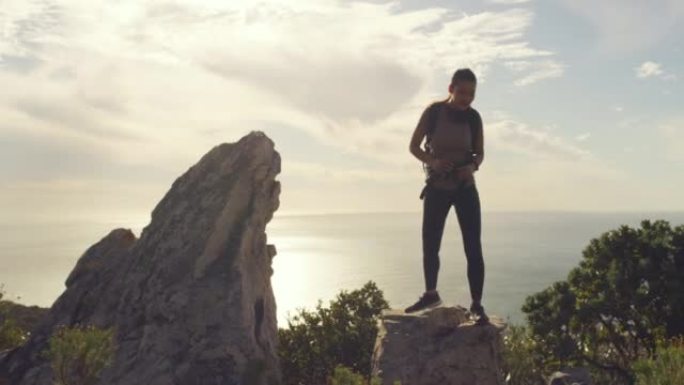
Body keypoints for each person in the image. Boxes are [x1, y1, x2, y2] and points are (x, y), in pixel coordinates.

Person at [405, 68, 489, 325]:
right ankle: (431, 294)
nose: (467, 98)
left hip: (465, 188)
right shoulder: (434, 112)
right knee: (430, 244)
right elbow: (413, 146)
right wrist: (434, 162)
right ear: (451, 89)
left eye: (471, 94)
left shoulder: (474, 118)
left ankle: (476, 305)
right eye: (462, 92)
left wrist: (472, 167)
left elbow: (480, 154)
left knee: (473, 247)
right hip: (437, 187)